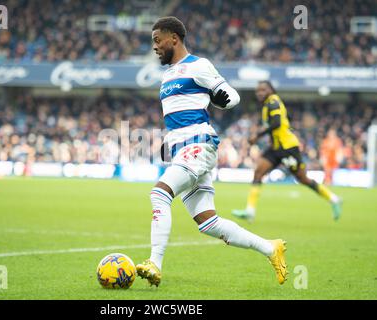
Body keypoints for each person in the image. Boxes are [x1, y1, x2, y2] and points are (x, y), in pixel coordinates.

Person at [136, 17, 288, 287]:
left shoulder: (199, 65)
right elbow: (180, 113)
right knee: (208, 222)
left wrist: (220, 98)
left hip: (197, 145)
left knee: (159, 193)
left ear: (174, 38)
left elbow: (231, 96)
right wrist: (168, 141)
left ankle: (154, 264)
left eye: (157, 40)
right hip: (182, 146)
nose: (155, 47)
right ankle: (270, 247)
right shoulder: (168, 75)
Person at [232, 81, 342, 222]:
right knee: (258, 173)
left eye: (263, 90)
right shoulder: (268, 105)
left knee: (303, 179)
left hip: (287, 148)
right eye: (258, 90)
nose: (260, 93)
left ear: (271, 90)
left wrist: (257, 135)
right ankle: (250, 211)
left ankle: (333, 199)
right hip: (275, 148)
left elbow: (277, 123)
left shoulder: (273, 102)